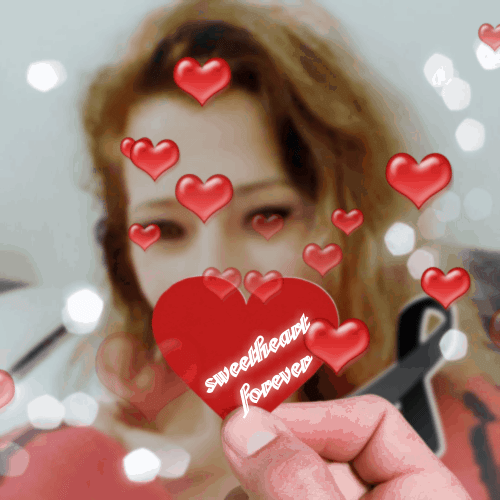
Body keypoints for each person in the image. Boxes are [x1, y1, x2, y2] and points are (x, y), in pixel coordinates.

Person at [1, 0, 498, 498]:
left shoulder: (467, 445)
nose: (213, 270)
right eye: (165, 228)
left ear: (347, 222)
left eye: (266, 216)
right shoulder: (53, 465)